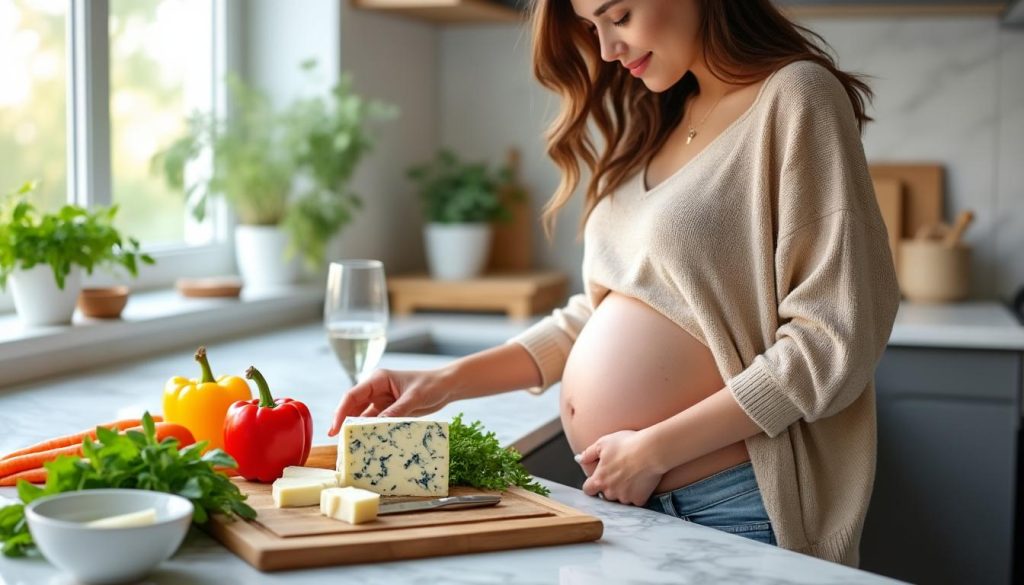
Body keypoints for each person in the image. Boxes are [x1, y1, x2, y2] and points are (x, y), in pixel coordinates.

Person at [328, 0, 900, 568]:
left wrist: (655, 449)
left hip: (734, 503)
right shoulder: (656, 116)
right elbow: (597, 313)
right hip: (627, 494)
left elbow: (831, 340)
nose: (606, 49)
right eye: (591, 27)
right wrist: (442, 383)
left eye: (619, 16)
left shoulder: (795, 97)